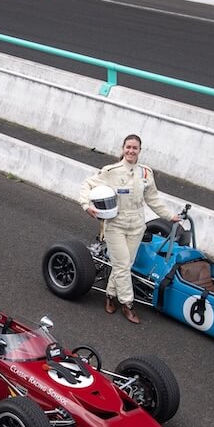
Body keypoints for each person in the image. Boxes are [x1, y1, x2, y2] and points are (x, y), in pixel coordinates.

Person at [78, 134, 179, 324]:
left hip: (137, 225)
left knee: (124, 264)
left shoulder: (146, 173)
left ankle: (110, 295)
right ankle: (128, 304)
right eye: (128, 147)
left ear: (140, 150)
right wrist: (86, 205)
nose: (131, 151)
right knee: (123, 264)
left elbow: (153, 199)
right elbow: (87, 184)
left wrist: (169, 216)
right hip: (115, 224)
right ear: (123, 149)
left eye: (135, 148)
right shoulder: (111, 171)